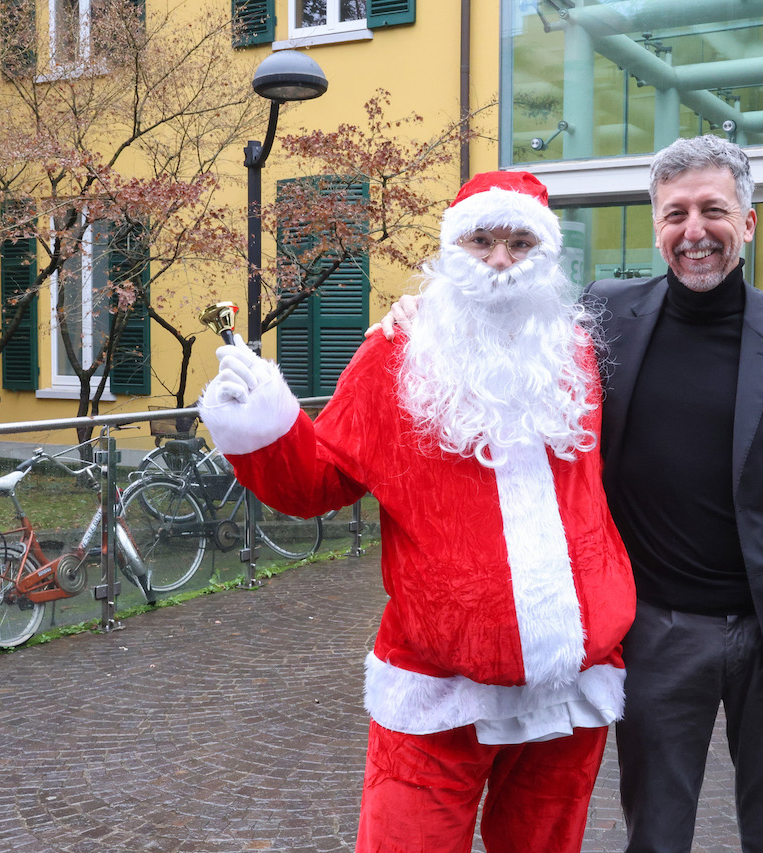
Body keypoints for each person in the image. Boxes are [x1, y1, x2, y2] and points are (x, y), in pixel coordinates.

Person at [375, 137, 763, 853]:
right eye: (676, 214)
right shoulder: (605, 315)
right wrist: (422, 315)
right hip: (656, 632)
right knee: (656, 834)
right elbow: (506, 332)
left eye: (713, 210)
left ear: (747, 221)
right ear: (656, 226)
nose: (695, 231)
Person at [198, 171, 636, 853]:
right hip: (436, 685)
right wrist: (263, 422)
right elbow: (319, 481)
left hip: (572, 677)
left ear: (547, 254)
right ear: (451, 249)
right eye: (481, 240)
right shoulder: (395, 353)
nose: (500, 259)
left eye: (520, 243)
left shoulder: (577, 351)